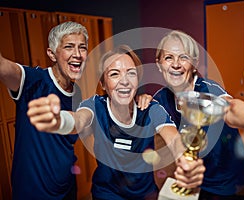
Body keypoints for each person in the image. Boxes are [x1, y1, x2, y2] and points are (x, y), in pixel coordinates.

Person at [27, 45, 206, 200]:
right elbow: (79, 121)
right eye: (114, 74)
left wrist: (186, 161)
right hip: (108, 193)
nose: (124, 81)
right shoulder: (95, 106)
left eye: (131, 73)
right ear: (103, 84)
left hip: (146, 194)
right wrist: (59, 120)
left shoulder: (151, 109)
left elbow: (173, 139)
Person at [153, 30, 244, 199]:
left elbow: (231, 107)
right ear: (159, 64)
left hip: (224, 182)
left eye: (184, 57)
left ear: (194, 63)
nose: (176, 64)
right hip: (191, 179)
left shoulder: (208, 89)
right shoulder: (160, 98)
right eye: (168, 58)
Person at [0, 21, 90, 199]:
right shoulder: (33, 80)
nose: (77, 54)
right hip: (33, 191)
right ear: (52, 54)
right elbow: (3, 67)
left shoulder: (76, 92)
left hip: (66, 187)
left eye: (82, 47)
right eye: (69, 47)